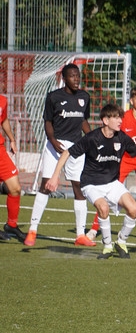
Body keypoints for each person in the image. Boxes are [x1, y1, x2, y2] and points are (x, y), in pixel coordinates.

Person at [44, 102, 136, 259]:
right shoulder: (92, 138)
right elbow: (67, 153)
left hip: (112, 183)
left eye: (120, 117)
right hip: (91, 184)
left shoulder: (122, 138)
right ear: (105, 120)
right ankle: (108, 246)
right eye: (116, 118)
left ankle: (121, 242)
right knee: (103, 208)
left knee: (134, 208)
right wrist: (55, 176)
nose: (120, 121)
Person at [86, 87, 136, 242]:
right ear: (131, 101)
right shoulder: (124, 118)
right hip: (124, 159)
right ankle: (94, 230)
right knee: (107, 192)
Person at [26, 63, 92, 247]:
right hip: (56, 145)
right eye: (72, 76)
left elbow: (83, 120)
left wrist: (92, 138)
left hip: (76, 147)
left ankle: (80, 235)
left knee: (78, 187)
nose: (76, 79)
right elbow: (48, 121)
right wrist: (53, 140)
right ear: (64, 78)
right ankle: (32, 230)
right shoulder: (53, 97)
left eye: (78, 76)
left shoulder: (84, 97)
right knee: (46, 185)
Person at [0, 94, 27, 242]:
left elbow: (3, 120)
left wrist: (11, 139)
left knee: (15, 188)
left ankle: (11, 225)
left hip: (0, 150)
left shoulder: (2, 100)